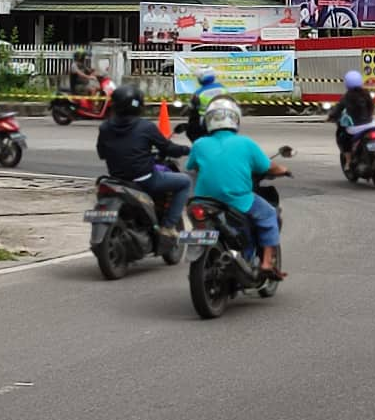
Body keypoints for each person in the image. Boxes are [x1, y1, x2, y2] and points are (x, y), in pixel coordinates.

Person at [189, 97, 288, 278]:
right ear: (235, 119)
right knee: (269, 214)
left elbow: (192, 166)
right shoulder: (245, 143)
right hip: (237, 199)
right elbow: (268, 167)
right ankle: (267, 263)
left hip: (202, 200)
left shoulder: (199, 144)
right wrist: (284, 170)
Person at [94, 83, 191, 237]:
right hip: (144, 180)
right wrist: (187, 150)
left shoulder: (105, 127)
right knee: (185, 181)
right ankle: (168, 226)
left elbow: (102, 153)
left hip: (117, 180)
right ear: (138, 105)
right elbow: (168, 148)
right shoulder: (146, 127)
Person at [326, 70, 375, 165]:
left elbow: (338, 110)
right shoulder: (366, 94)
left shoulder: (347, 97)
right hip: (370, 125)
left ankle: (348, 160)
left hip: (355, 128)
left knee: (343, 138)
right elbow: (371, 106)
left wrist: (330, 117)